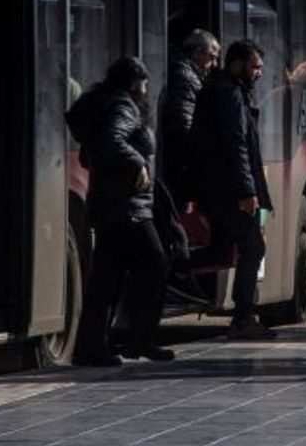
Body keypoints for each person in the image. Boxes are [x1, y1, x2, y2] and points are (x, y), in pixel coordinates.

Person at [70, 57, 175, 366]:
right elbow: (111, 141)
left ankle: (94, 345)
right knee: (155, 261)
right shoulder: (124, 106)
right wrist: (138, 162)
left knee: (107, 276)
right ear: (134, 83)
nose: (146, 89)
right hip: (126, 206)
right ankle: (139, 339)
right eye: (144, 82)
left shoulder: (104, 102)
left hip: (110, 205)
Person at [188, 40, 275, 341]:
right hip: (229, 190)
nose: (259, 73)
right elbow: (236, 143)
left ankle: (168, 270)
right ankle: (244, 317)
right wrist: (246, 191)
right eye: (255, 66)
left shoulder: (220, 89)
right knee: (253, 247)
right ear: (237, 64)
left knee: (222, 250)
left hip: (217, 187)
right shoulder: (229, 94)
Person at [160, 29, 219, 196]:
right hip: (179, 166)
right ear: (198, 52)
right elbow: (184, 126)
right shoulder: (185, 78)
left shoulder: (188, 75)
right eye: (212, 57)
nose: (214, 64)